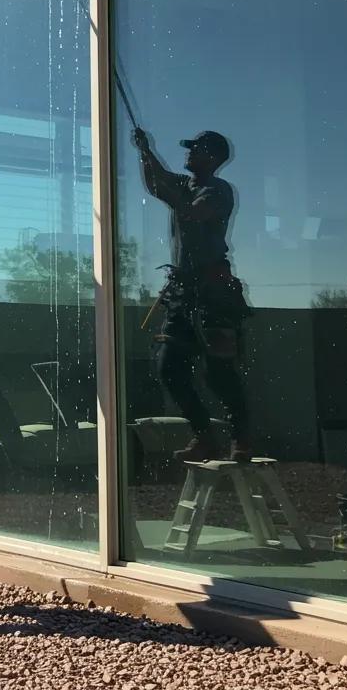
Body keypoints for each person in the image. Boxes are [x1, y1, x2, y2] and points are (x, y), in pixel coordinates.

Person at [132, 128, 254, 463]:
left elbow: (190, 210)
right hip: (183, 292)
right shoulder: (185, 187)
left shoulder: (217, 191)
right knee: (169, 366)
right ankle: (204, 435)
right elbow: (157, 184)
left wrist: (162, 175)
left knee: (219, 371)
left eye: (196, 149)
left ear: (212, 157)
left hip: (213, 293)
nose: (189, 152)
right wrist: (145, 153)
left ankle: (240, 438)